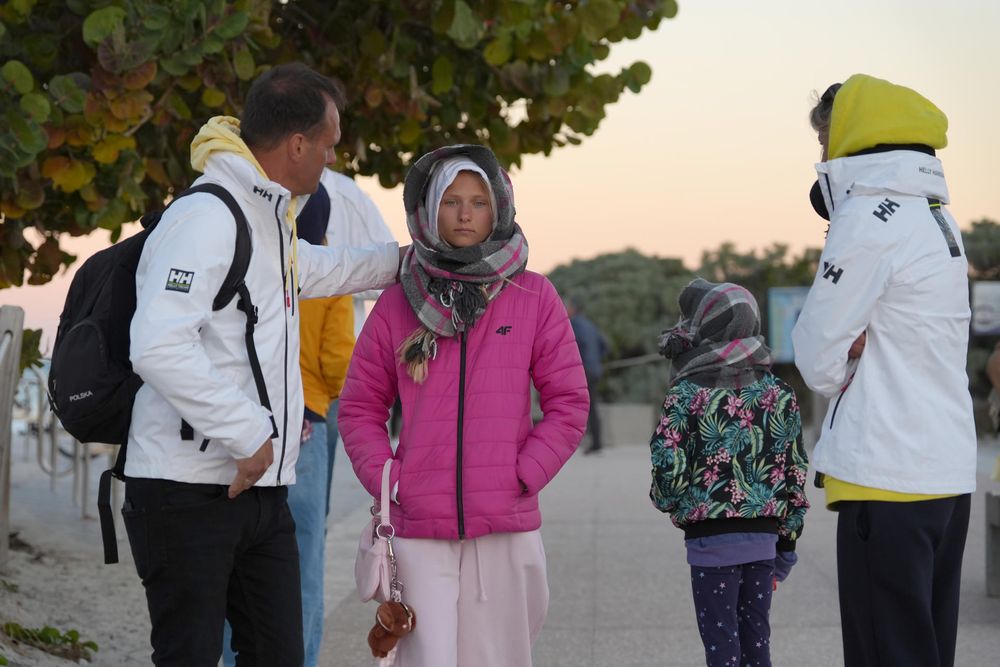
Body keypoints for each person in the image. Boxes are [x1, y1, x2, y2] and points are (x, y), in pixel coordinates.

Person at [122, 62, 401, 666]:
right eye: (327, 146)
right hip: (185, 491)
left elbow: (322, 269)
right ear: (297, 143)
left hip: (259, 494)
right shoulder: (205, 216)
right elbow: (156, 344)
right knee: (190, 657)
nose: (329, 161)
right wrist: (249, 434)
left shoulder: (267, 217)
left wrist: (411, 262)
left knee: (280, 655)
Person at [339, 144, 589, 666]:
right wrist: (389, 479)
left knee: (501, 657)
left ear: (498, 207)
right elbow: (361, 406)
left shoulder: (533, 295)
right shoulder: (398, 300)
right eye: (452, 201)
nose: (466, 213)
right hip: (417, 522)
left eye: (478, 201)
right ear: (430, 210)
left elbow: (568, 402)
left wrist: (523, 473)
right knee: (425, 659)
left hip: (506, 521)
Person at [792, 74, 976, 667]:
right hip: (946, 473)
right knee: (925, 650)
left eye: (824, 140)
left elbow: (816, 355)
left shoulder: (868, 217)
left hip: (886, 475)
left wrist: (848, 344)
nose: (821, 156)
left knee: (884, 652)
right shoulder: (935, 216)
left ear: (847, 138)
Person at [649, 278, 809, 667]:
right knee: (757, 643)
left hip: (710, 545)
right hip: (764, 542)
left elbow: (669, 467)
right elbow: (795, 474)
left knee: (722, 647)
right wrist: (786, 546)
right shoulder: (779, 394)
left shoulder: (686, 394)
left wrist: (668, 502)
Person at [318, 168, 396, 519]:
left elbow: (390, 271)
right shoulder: (261, 186)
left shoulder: (346, 195)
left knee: (312, 507)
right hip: (271, 371)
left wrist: (328, 278)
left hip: (329, 374)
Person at [565, 296, 609, 454]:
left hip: (584, 370)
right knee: (592, 406)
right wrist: (596, 360)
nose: (565, 309)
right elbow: (605, 345)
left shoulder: (573, 324)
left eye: (567, 306)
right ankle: (596, 442)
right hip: (595, 370)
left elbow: (575, 345)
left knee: (579, 406)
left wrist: (578, 363)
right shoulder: (590, 324)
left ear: (574, 308)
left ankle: (588, 442)